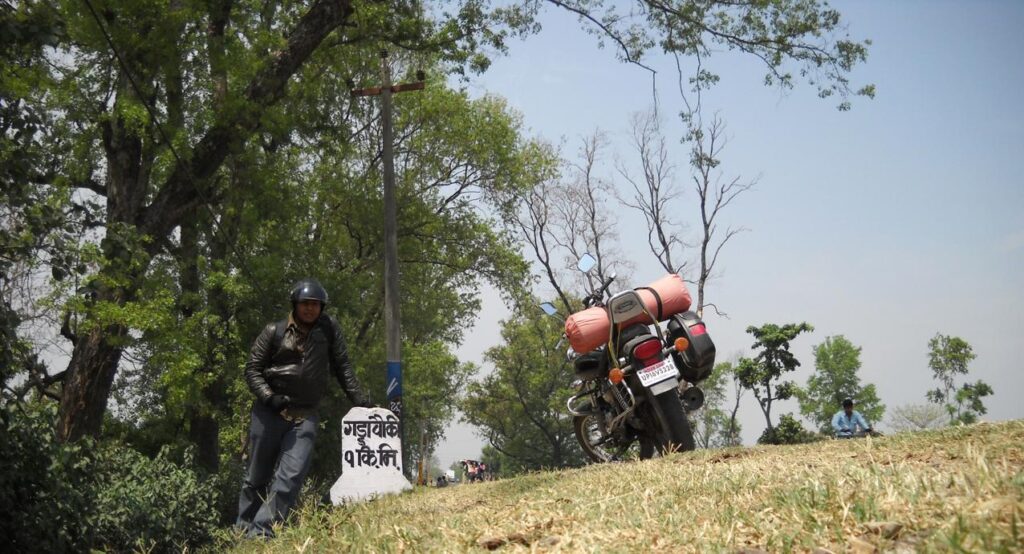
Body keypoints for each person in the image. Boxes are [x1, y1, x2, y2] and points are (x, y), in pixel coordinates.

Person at [236, 278, 372, 539]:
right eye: (305, 304)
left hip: (305, 416)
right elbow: (252, 371)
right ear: (295, 305)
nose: (310, 309)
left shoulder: (329, 331)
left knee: (290, 477)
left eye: (315, 304)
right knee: (256, 479)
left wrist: (362, 401)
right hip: (268, 414)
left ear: (322, 307)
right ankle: (242, 534)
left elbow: (343, 367)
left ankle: (262, 534)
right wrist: (269, 397)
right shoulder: (272, 331)